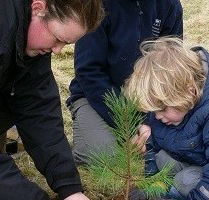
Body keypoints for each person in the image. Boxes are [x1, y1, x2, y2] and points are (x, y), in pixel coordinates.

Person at [0, 0, 104, 199]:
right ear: (38, 8)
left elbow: (38, 108)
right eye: (57, 39)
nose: (58, 50)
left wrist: (70, 188)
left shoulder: (30, 32)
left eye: (66, 44)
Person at [124, 36, 209, 200]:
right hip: (199, 162)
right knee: (164, 160)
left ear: (189, 92)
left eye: (162, 109)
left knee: (185, 180)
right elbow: (154, 149)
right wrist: (152, 188)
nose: (157, 116)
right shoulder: (170, 110)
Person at [67, 0, 184, 164]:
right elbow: (88, 72)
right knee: (109, 157)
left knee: (177, 147)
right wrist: (131, 124)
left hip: (151, 101)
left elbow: (170, 67)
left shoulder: (169, 5)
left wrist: (149, 120)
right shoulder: (95, 4)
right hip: (95, 98)